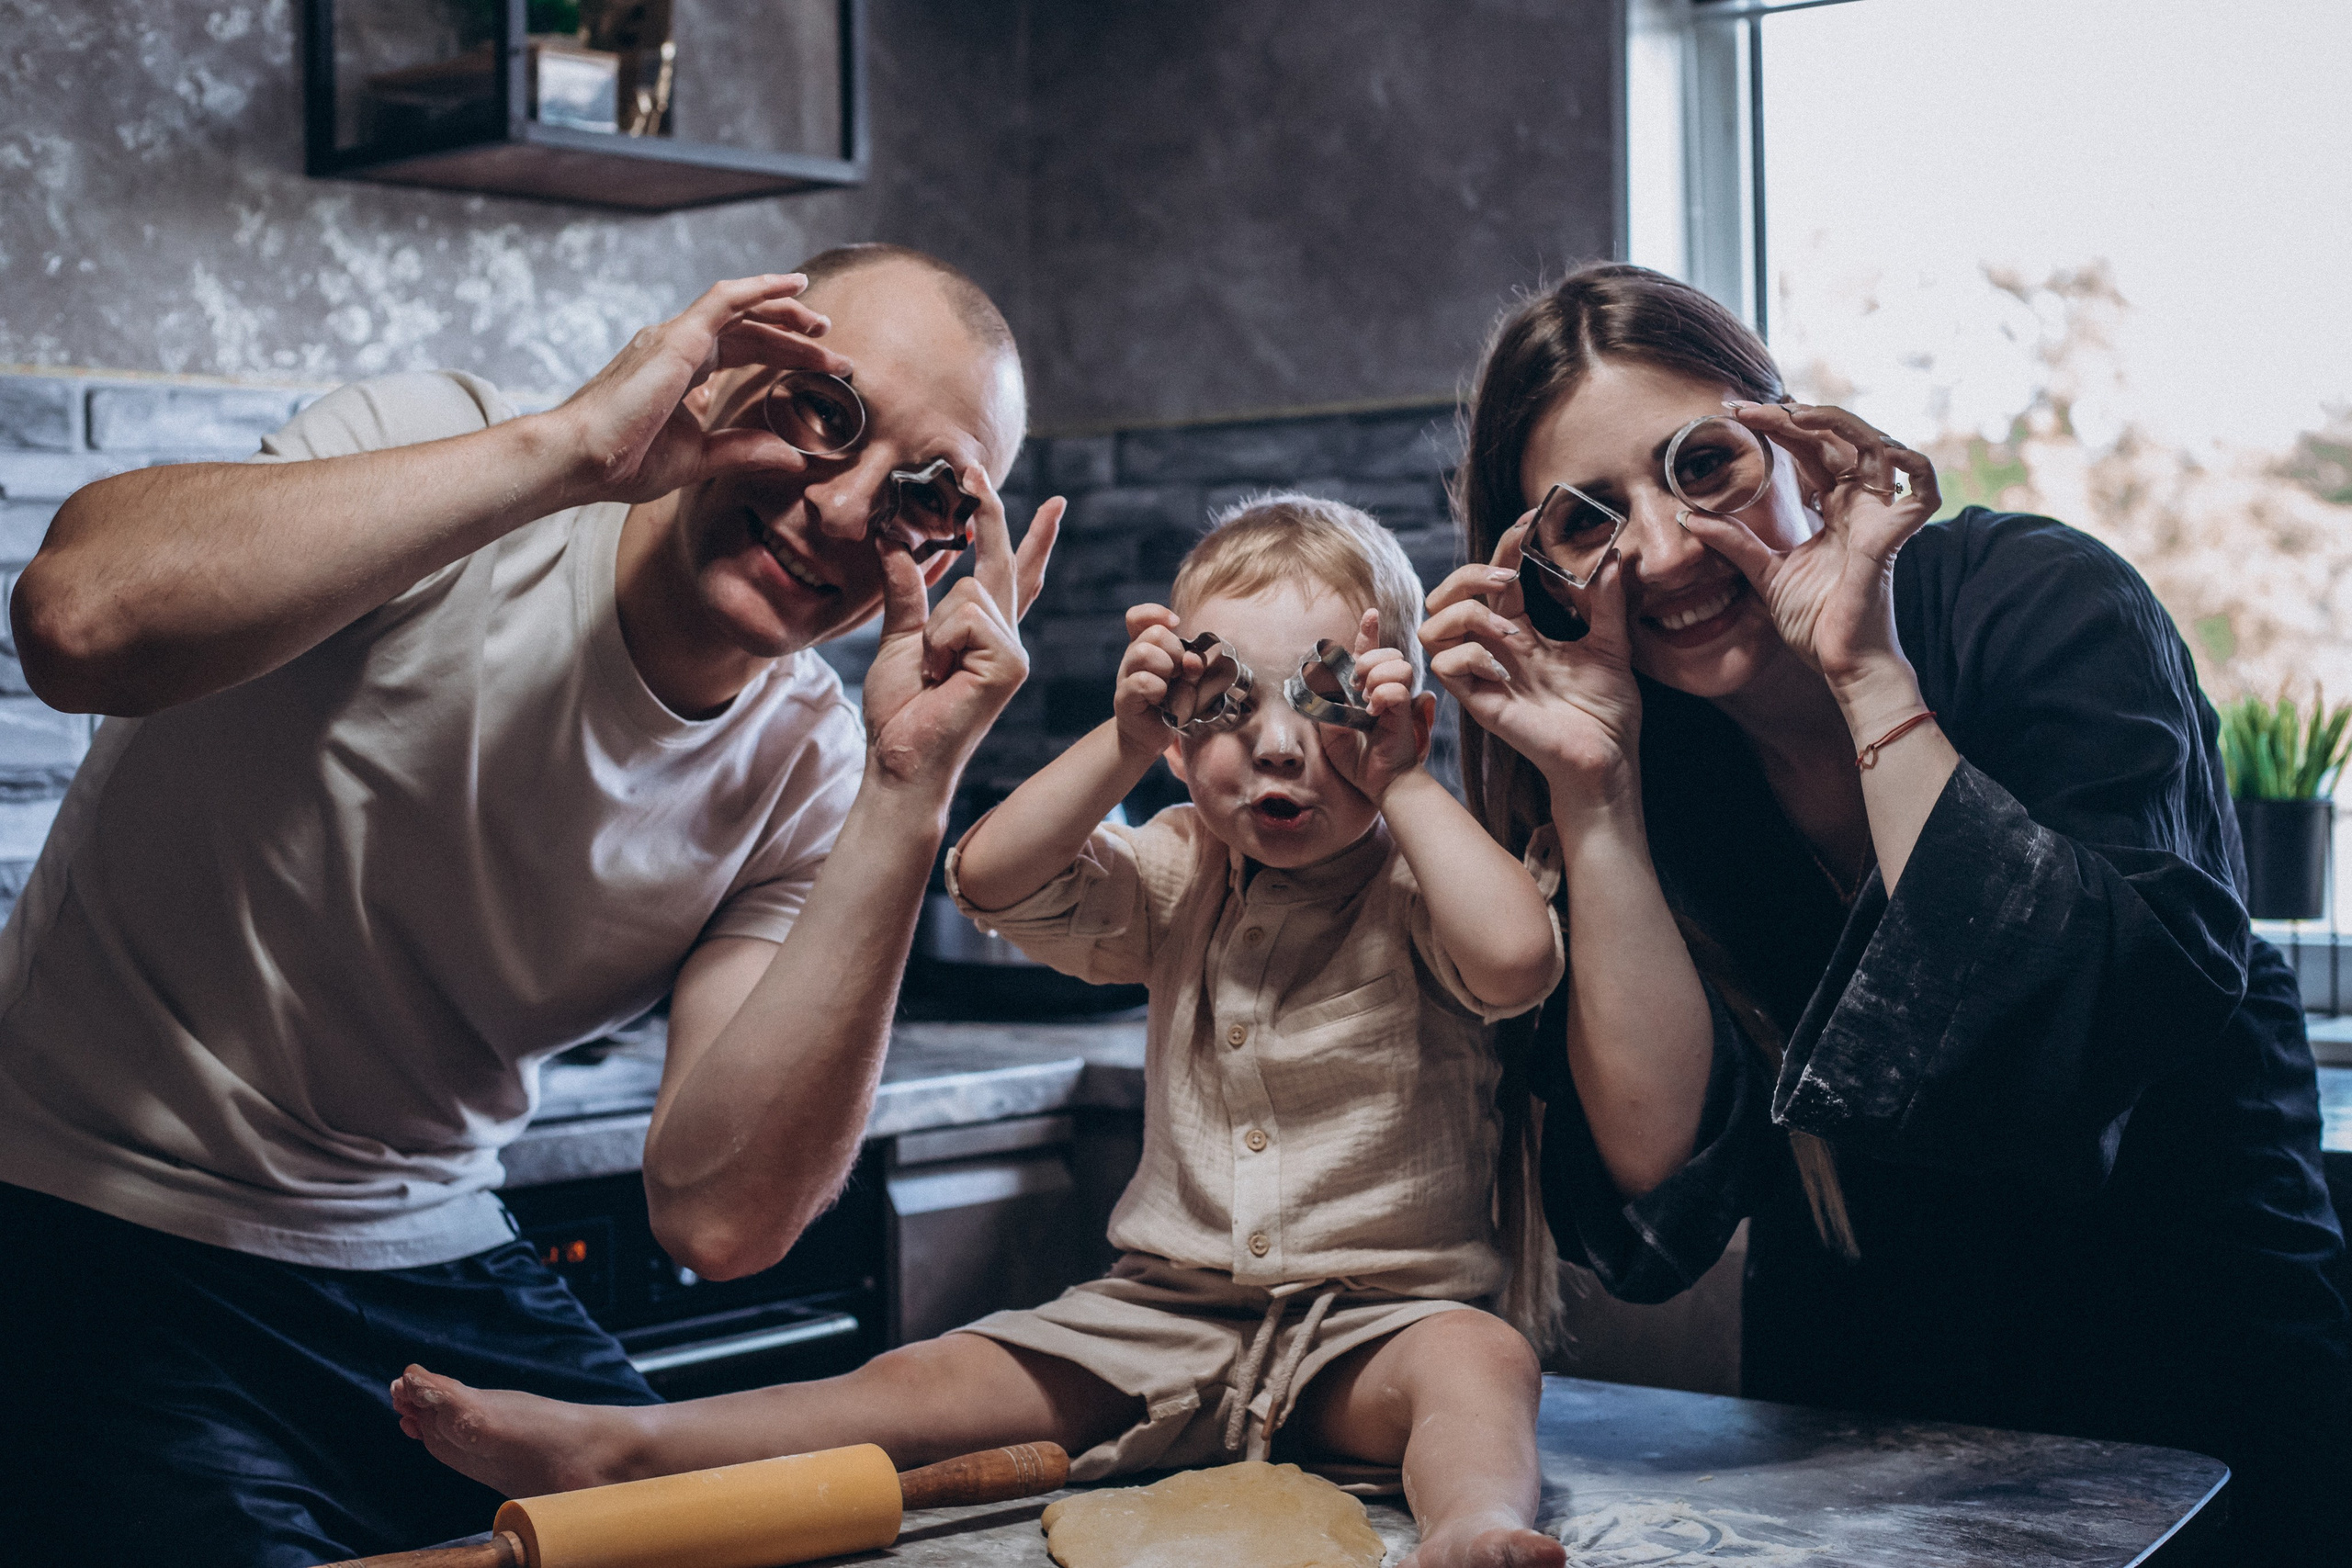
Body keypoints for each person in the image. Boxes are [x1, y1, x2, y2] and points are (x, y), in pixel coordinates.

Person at [0, 244, 1064, 1568]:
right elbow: (74, 622)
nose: (843, 509)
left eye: (918, 492)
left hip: (426, 1248)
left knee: (708, 1553)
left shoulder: (811, 764)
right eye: (823, 412)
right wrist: (574, 449)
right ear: (733, 366)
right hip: (88, 1207)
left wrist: (913, 790)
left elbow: (722, 1213)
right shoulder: (437, 451)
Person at [390, 495, 1573, 1568]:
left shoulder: (1428, 877)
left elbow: (1517, 961)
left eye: (1326, 701)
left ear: (1397, 710)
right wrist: (1118, 740)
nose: (1273, 743)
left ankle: (1473, 1526)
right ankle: (631, 1447)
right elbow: (995, 882)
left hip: (1376, 1335)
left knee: (1482, 1365)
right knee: (922, 1376)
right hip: (1159, 1320)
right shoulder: (1177, 868)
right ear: (1172, 733)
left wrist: (1408, 781)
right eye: (1222, 703)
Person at [1416, 262, 2352, 1564]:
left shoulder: (2039, 602)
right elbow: (1651, 1202)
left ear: (1798, 440)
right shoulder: (1649, 746)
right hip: (1858, 1403)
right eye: (1589, 518)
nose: (1670, 548)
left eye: (1703, 463)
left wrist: (1863, 671)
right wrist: (1597, 791)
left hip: (2193, 1363)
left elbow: (2074, 1035)